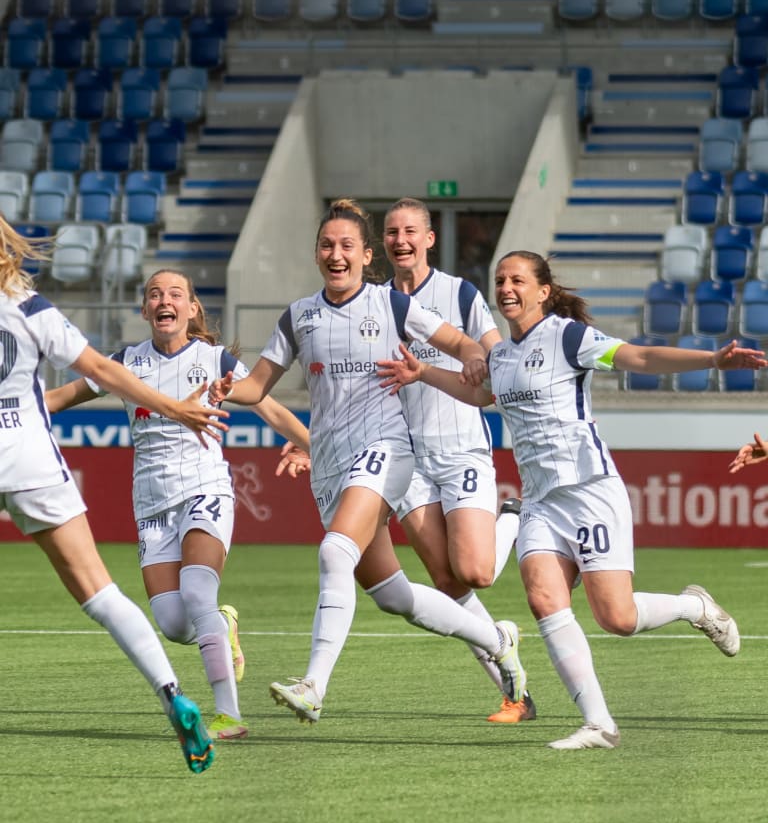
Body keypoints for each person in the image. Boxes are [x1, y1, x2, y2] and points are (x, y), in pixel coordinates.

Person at [379, 250, 767, 750]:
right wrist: (422, 374)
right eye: (499, 280)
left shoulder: (568, 337)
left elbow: (641, 357)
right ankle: (598, 723)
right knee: (543, 598)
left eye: (517, 280)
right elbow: (480, 396)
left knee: (617, 618)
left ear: (543, 291)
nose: (505, 289)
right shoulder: (499, 354)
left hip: (589, 491)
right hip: (539, 501)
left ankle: (694, 607)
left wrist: (712, 359)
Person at [209, 199, 525, 725]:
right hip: (331, 465)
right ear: (317, 254)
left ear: (365, 255)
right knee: (393, 596)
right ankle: (498, 639)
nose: (336, 254)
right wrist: (226, 388)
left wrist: (473, 356)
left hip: (385, 451)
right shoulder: (300, 315)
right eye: (327, 245)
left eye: (347, 246)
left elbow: (460, 340)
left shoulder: (391, 305)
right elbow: (258, 384)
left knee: (335, 552)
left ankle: (313, 687)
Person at [0, 219, 228, 773]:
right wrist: (175, 407)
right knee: (100, 593)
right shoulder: (26, 306)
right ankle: (172, 693)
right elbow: (100, 369)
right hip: (27, 459)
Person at [45, 269, 311, 743]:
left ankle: (228, 714)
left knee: (197, 591)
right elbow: (61, 397)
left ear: (192, 309)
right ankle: (225, 624)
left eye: (175, 294)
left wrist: (312, 445)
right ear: (145, 310)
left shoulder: (213, 359)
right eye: (154, 295)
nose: (164, 301)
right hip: (151, 507)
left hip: (204, 489)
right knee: (173, 624)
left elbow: (269, 407)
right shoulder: (124, 363)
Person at [382, 198, 532, 723]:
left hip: (460, 447)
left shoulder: (460, 293)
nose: (400, 240)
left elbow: (493, 363)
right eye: (391, 232)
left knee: (475, 571)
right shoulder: (373, 302)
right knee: (448, 583)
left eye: (410, 231)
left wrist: (477, 357)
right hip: (404, 459)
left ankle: (511, 516)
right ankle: (515, 692)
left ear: (428, 239)